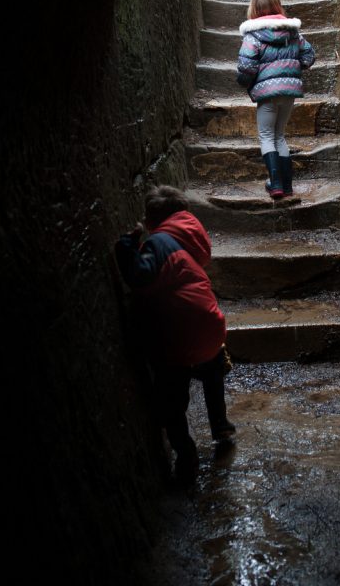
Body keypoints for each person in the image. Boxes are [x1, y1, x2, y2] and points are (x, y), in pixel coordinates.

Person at [114, 185, 235, 486]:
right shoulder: (192, 238)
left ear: (152, 219)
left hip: (180, 335)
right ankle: (220, 424)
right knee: (212, 369)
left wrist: (126, 247)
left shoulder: (159, 243)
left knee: (172, 401)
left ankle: (186, 454)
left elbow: (140, 276)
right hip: (211, 325)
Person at [236, 0, 315, 199]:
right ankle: (287, 186)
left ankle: (276, 184)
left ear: (254, 10)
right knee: (279, 135)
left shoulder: (253, 36)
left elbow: (246, 66)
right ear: (278, 6)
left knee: (266, 135)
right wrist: (295, 67)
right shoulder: (293, 33)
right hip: (289, 91)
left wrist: (245, 83)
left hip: (267, 93)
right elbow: (309, 54)